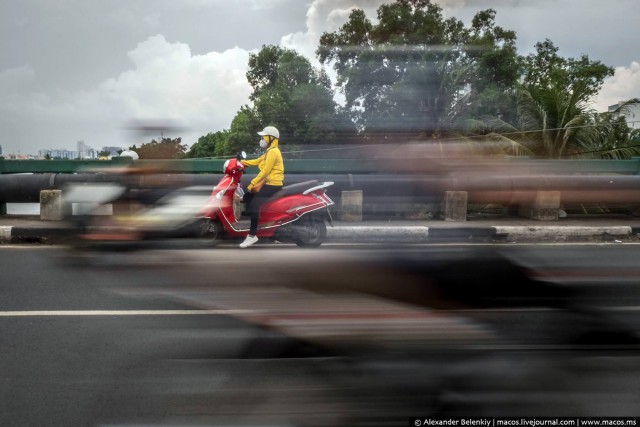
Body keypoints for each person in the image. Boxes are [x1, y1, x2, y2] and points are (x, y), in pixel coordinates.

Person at [238, 125, 284, 248]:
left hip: (273, 184)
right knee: (247, 196)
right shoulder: (269, 151)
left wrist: (252, 183)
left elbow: (265, 171)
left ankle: (252, 236)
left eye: (264, 137)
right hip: (267, 182)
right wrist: (241, 163)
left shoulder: (273, 152)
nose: (262, 140)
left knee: (254, 205)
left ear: (271, 138)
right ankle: (251, 222)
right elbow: (257, 161)